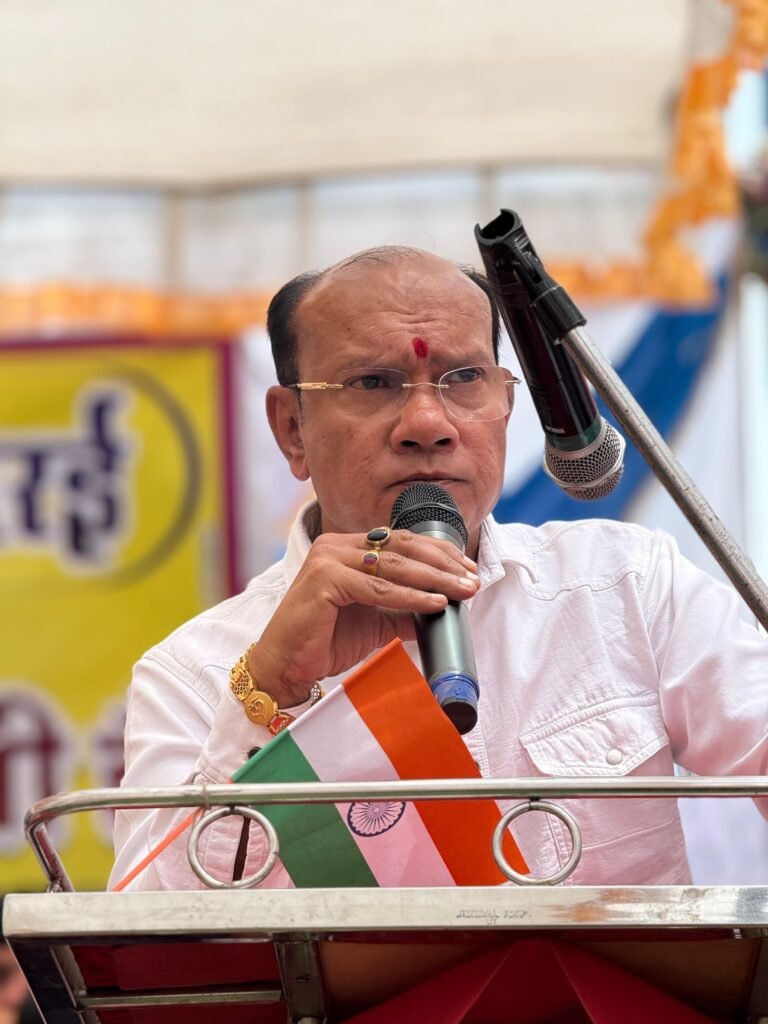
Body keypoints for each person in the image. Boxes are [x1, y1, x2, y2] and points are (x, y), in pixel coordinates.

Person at [110, 246, 767, 891]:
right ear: (291, 428)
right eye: (372, 383)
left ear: (507, 404)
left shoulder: (625, 586)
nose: (427, 424)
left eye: (463, 379)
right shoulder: (196, 673)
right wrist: (271, 694)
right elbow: (154, 941)